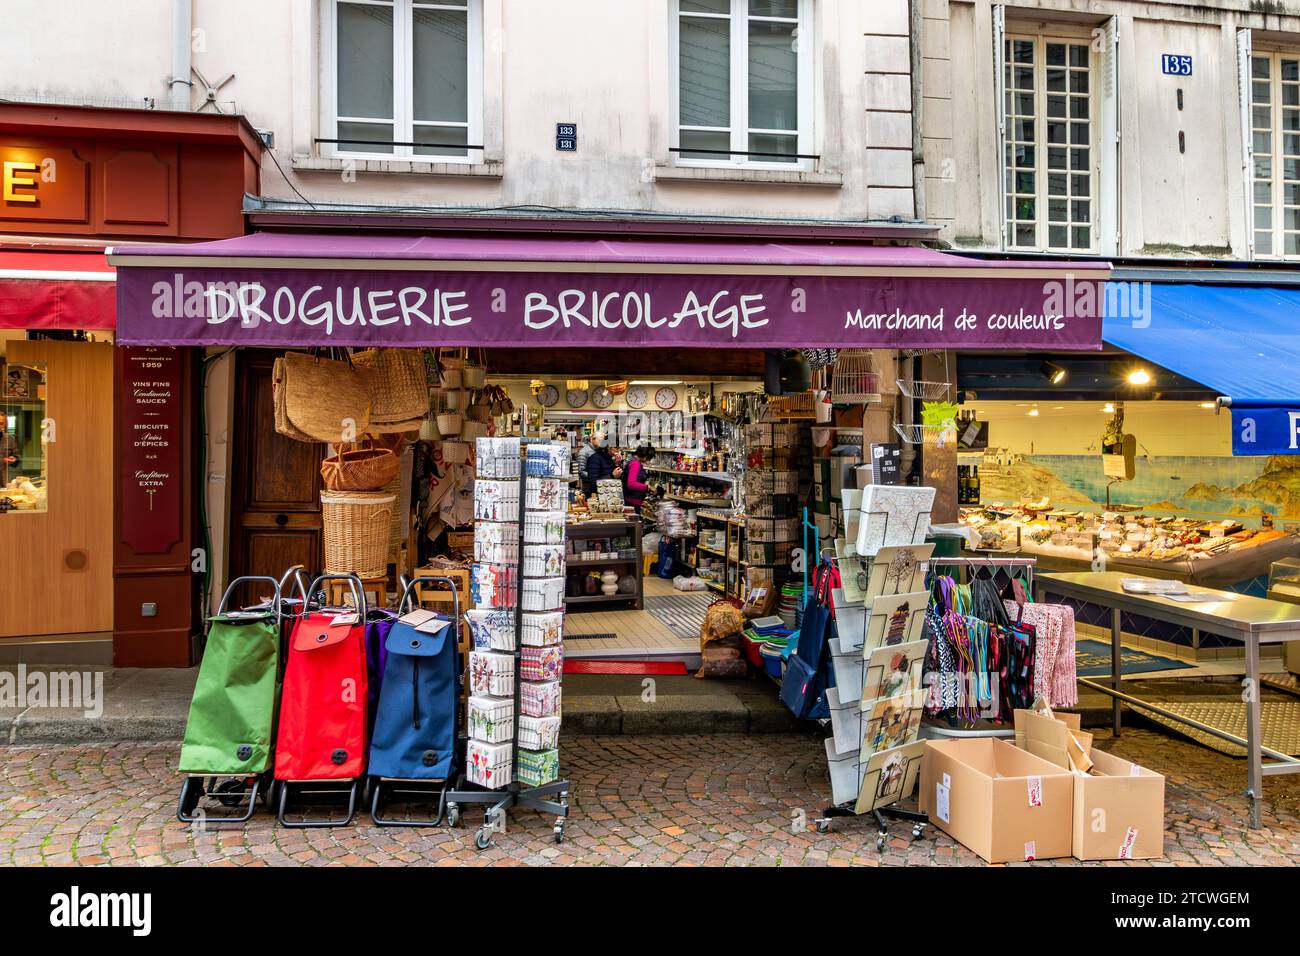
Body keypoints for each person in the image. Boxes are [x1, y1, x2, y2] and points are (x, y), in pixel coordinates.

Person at [624, 445, 655, 511]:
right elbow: (631, 484)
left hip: (631, 500)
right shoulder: (635, 464)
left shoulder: (633, 461)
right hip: (632, 502)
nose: (648, 461)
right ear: (646, 456)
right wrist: (647, 487)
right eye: (649, 458)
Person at [0, 422, 18, 486]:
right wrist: (2, 460)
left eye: (1, 423)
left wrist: (14, 458)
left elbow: (17, 457)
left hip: (5, 480)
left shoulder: (10, 439)